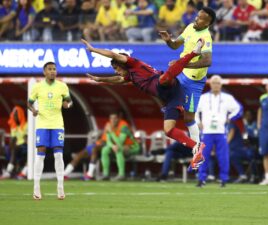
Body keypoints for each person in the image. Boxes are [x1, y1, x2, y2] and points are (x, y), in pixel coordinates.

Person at [81, 39, 205, 169]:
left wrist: (94, 50)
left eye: (116, 68)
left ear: (123, 62)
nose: (116, 71)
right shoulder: (130, 76)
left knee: (164, 79)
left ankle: (194, 53)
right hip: (170, 99)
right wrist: (99, 79)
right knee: (168, 130)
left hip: (169, 86)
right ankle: (196, 146)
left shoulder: (133, 63)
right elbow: (119, 79)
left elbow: (113, 55)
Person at [159, 7, 216, 151]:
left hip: (194, 81)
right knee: (161, 83)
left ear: (207, 24)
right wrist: (168, 41)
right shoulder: (190, 27)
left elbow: (207, 61)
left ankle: (197, 149)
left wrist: (184, 63)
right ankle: (169, 105)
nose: (197, 19)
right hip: (181, 73)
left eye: (202, 18)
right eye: (198, 16)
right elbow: (175, 45)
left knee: (189, 118)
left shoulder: (206, 37)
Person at [27, 62, 72, 200]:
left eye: (54, 69)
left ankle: (60, 186)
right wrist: (33, 110)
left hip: (57, 124)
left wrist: (67, 104)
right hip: (42, 124)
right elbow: (29, 102)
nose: (53, 71)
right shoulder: (37, 87)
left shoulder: (62, 86)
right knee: (40, 155)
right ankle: (36, 187)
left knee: (58, 155)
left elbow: (69, 101)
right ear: (44, 72)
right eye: (50, 69)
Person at [195, 75, 242, 187]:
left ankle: (224, 179)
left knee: (223, 156)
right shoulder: (203, 98)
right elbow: (194, 111)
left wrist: (230, 118)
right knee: (203, 156)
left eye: (218, 83)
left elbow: (238, 109)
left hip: (221, 132)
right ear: (210, 84)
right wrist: (198, 122)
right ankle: (202, 179)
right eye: (214, 83)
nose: (216, 85)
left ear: (221, 84)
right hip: (206, 132)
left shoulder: (227, 98)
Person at [100, 111, 140, 181]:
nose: (113, 120)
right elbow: (108, 141)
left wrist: (111, 132)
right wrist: (112, 146)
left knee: (119, 149)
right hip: (119, 146)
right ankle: (105, 174)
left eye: (115, 118)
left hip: (133, 146)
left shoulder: (124, 126)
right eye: (111, 118)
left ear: (118, 119)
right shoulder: (109, 125)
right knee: (105, 150)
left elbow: (120, 142)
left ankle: (121, 175)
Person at [1, 105, 28, 179]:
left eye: (16, 115)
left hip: (26, 145)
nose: (14, 117)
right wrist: (10, 145)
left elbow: (28, 140)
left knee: (20, 149)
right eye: (13, 115)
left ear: (20, 115)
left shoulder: (26, 125)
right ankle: (8, 171)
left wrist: (26, 138)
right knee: (11, 149)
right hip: (18, 147)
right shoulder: (14, 126)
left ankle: (22, 172)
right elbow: (12, 139)